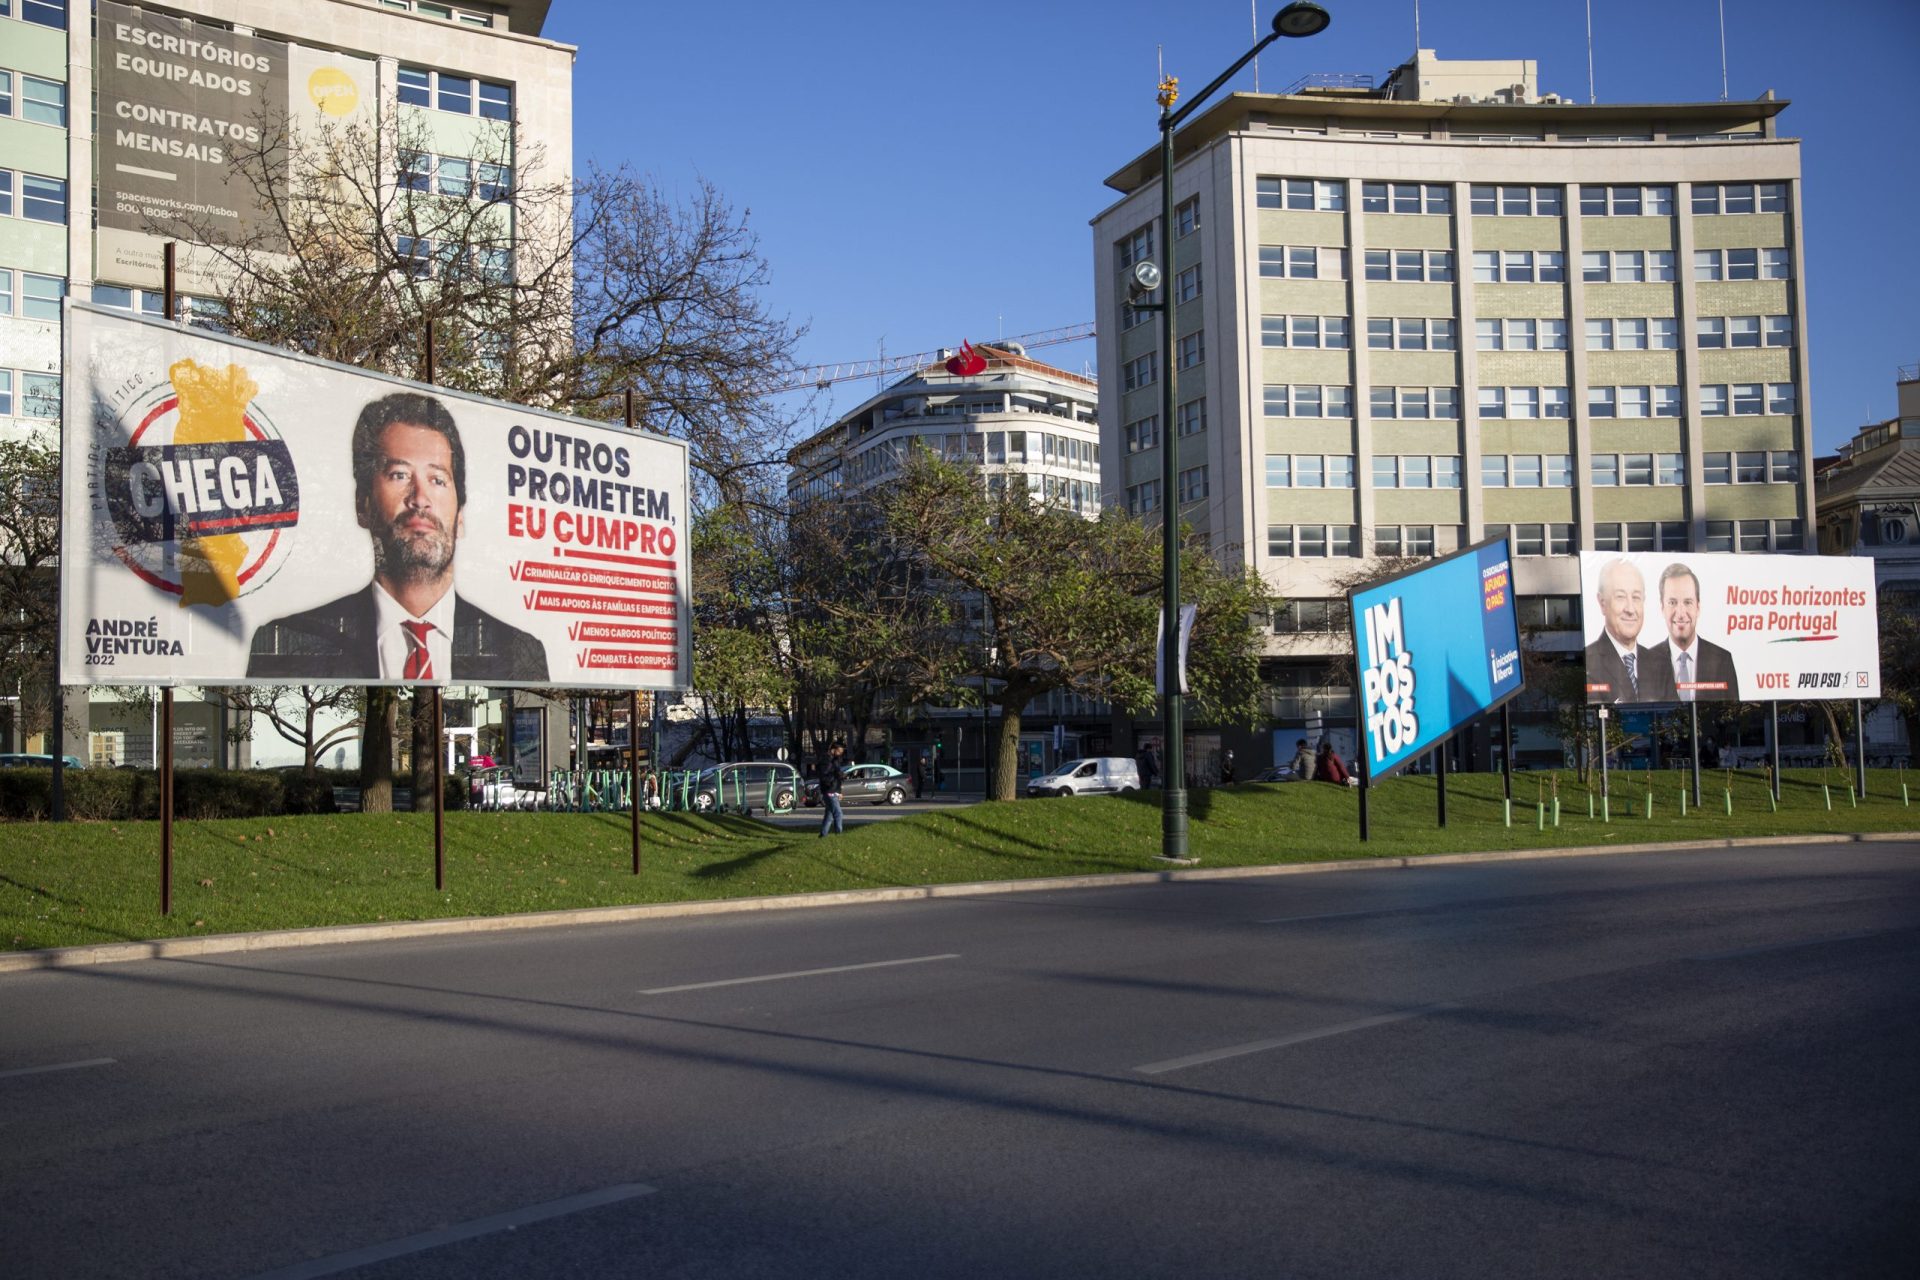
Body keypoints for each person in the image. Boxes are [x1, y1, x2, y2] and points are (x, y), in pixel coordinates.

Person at [247, 392, 548, 682]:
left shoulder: (519, 650)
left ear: (460, 517)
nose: (420, 498)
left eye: (438, 479)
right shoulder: (292, 638)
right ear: (362, 505)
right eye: (399, 475)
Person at [1583, 558, 1675, 704]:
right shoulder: (1589, 662)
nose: (1630, 609)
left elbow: (1673, 715)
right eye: (1620, 597)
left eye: (1636, 597)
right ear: (1602, 603)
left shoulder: (1660, 663)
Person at [1654, 563, 1739, 702]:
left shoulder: (1722, 660)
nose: (1680, 613)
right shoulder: (1646, 663)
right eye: (1672, 602)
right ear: (1662, 607)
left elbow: (1733, 713)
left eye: (1688, 602)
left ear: (1698, 607)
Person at [817, 743, 847, 837]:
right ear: (833, 750)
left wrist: (839, 790)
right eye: (839, 751)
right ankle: (839, 834)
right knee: (838, 813)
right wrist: (834, 778)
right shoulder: (826, 760)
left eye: (841, 752)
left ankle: (823, 834)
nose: (840, 754)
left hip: (834, 789)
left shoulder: (835, 760)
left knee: (829, 814)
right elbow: (824, 776)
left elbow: (837, 774)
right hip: (829, 790)